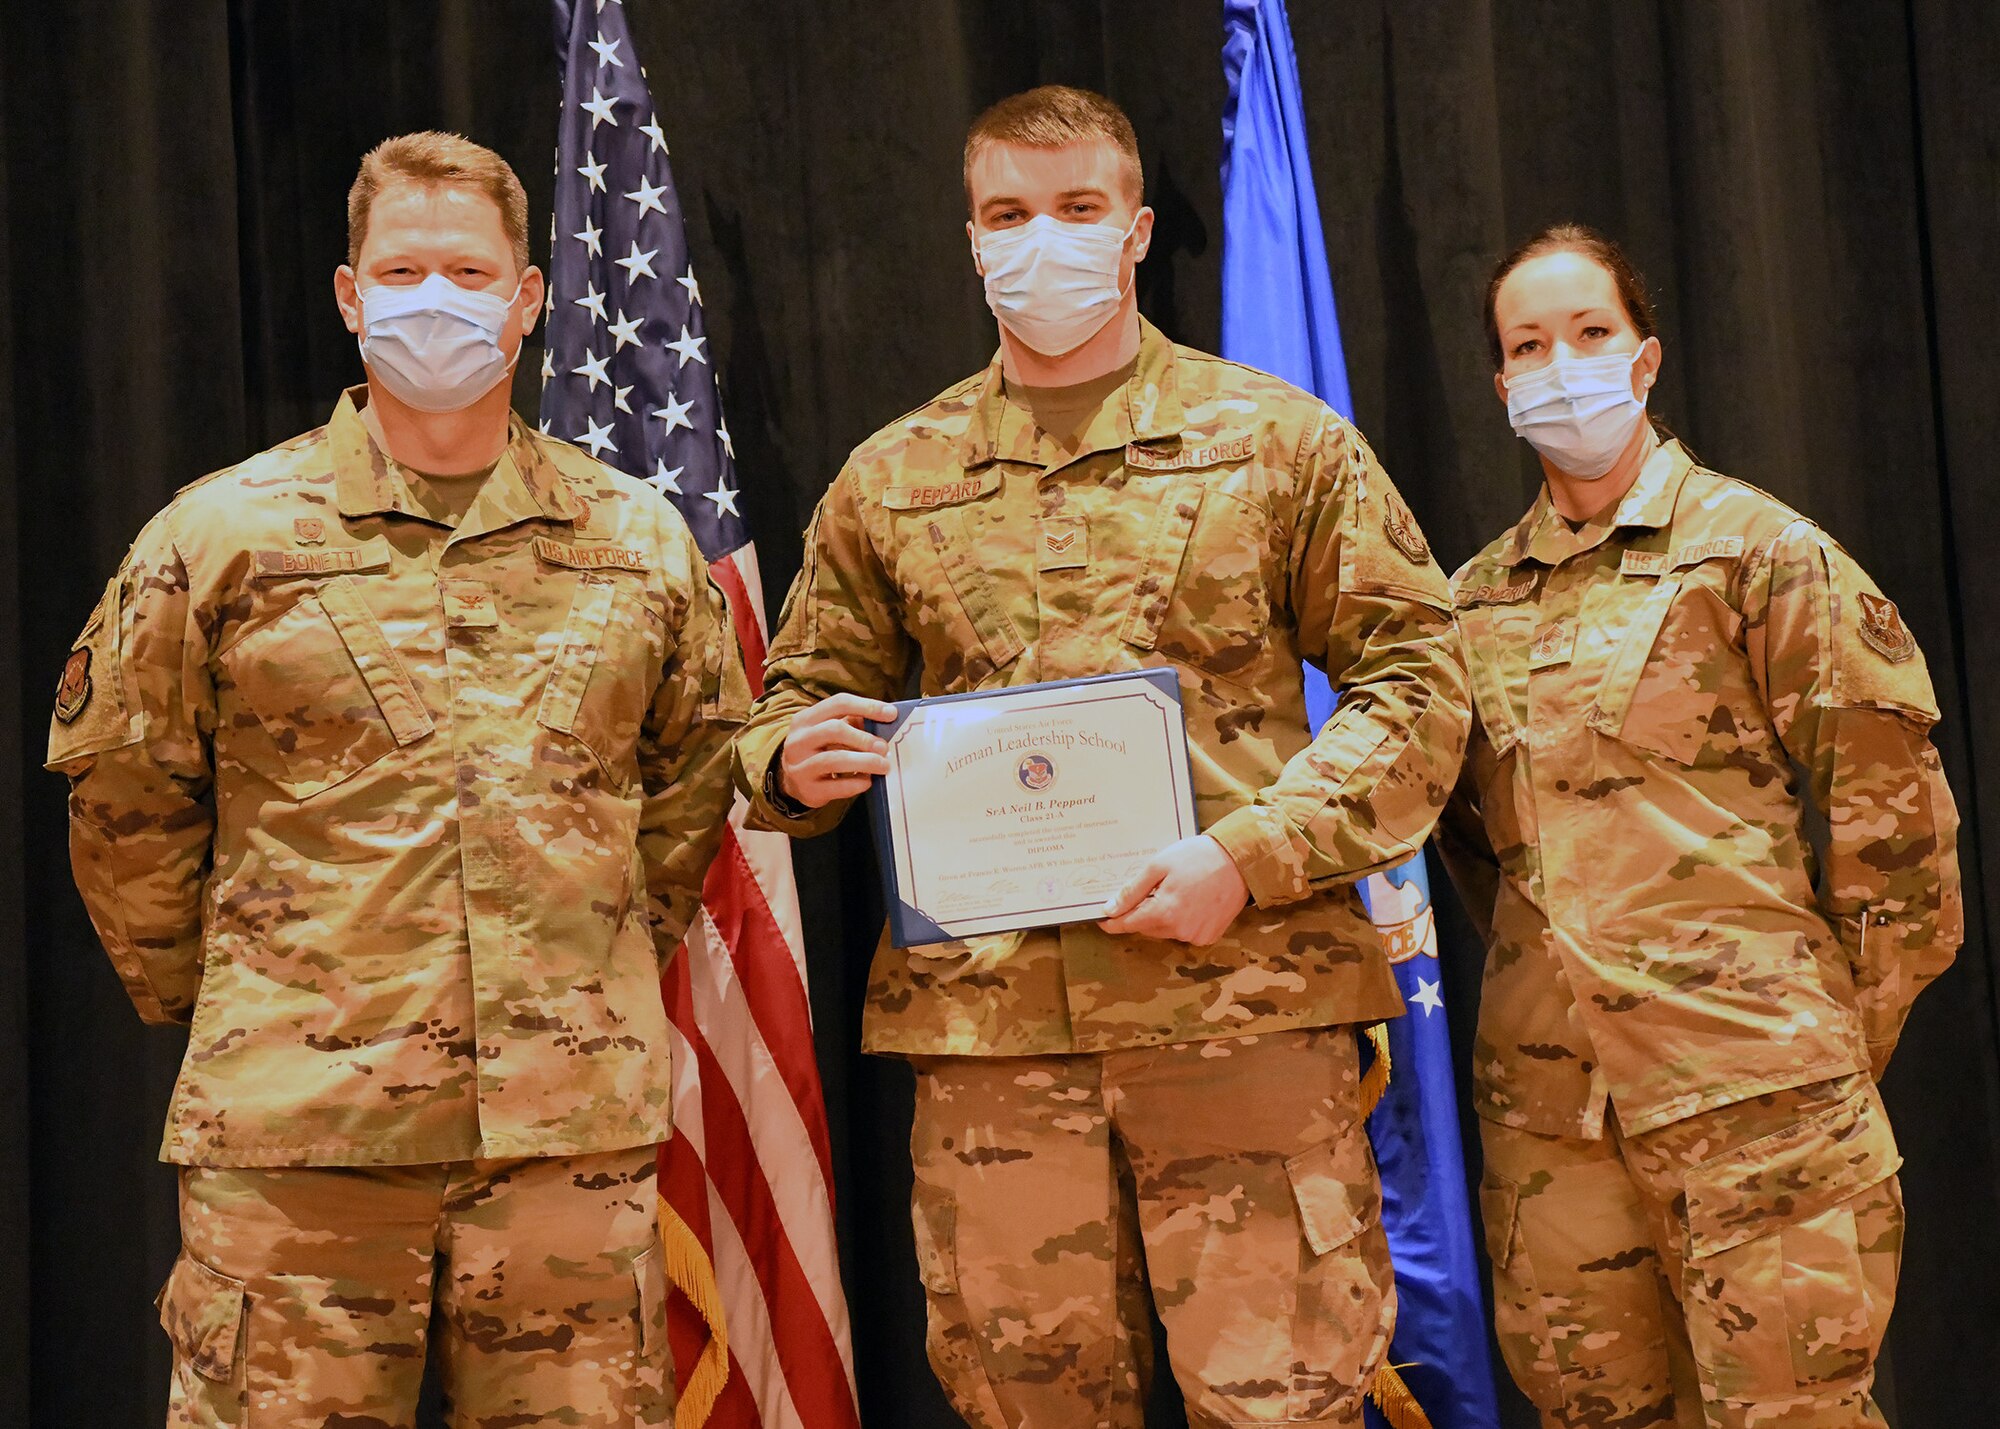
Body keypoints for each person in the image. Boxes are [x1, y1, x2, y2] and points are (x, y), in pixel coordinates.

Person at [732, 85, 1470, 1428]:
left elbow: (1420, 682)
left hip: (1241, 1023)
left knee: (1286, 1406)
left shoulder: (1277, 443)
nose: (1045, 241)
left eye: (1077, 210)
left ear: (1135, 228)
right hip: (997, 1050)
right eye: (1010, 214)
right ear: (970, 241)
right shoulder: (889, 478)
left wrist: (1251, 858)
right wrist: (788, 760)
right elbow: (796, 699)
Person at [46, 132, 749, 1427]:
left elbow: (692, 786)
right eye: (406, 267)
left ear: (529, 297)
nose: (439, 296)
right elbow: (123, 798)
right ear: (351, 294)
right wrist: (261, 1002)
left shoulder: (638, 542)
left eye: (470, 270)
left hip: (561, 1155)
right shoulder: (221, 538)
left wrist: (574, 971)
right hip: (300, 1155)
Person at [1435, 224, 1961, 1428]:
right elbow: (1488, 860)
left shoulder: (1760, 557)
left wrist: (1806, 1047)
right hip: (1553, 1134)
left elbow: (1896, 845)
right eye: (1528, 344)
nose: (1559, 362)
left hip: (1758, 1112)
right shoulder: (1464, 607)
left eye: (1588, 333)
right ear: (1500, 383)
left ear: (1645, 355)